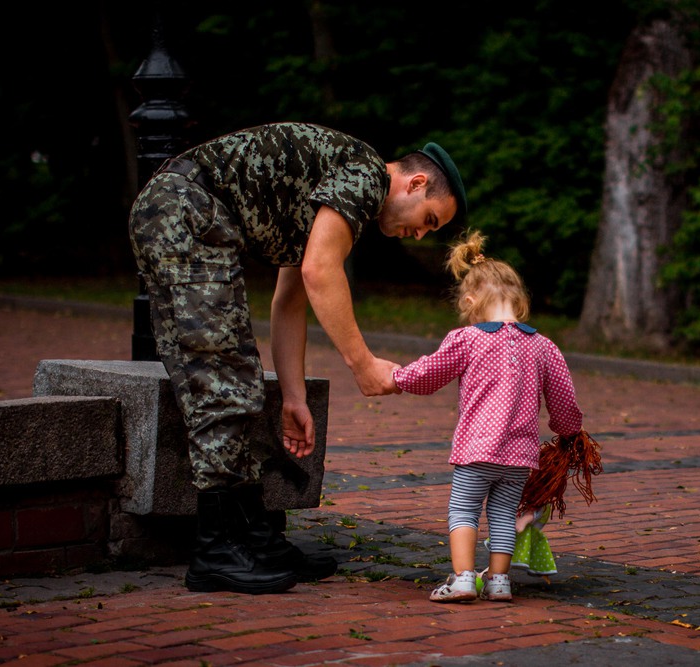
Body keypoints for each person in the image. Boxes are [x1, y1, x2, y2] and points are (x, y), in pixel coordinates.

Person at [128, 122, 467, 595]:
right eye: (429, 219)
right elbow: (319, 270)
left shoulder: (335, 189)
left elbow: (291, 296)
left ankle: (250, 536)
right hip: (183, 212)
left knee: (238, 378)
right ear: (415, 183)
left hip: (190, 218)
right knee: (221, 381)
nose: (417, 235)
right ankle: (215, 550)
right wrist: (364, 364)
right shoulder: (366, 174)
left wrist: (294, 396)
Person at [392, 230, 584, 603]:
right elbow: (564, 402)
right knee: (502, 514)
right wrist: (570, 432)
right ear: (520, 302)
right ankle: (498, 582)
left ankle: (463, 578)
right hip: (519, 457)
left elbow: (428, 375)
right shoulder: (544, 347)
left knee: (463, 509)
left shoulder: (467, 339)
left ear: (469, 300)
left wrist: (397, 377)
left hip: (476, 450)